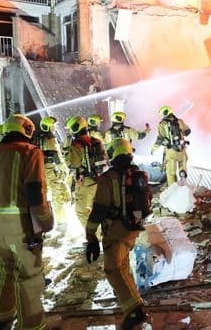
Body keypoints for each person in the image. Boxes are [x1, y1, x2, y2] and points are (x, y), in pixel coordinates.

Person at [0, 114, 54, 330]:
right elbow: (35, 192)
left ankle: (1, 320)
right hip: (20, 223)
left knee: (5, 270)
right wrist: (46, 221)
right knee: (29, 276)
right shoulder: (30, 151)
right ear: (26, 130)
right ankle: (31, 326)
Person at [86, 138, 151, 330]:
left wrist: (90, 235)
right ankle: (133, 301)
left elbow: (98, 210)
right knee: (122, 266)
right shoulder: (137, 173)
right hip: (133, 228)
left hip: (116, 231)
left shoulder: (108, 178)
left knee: (113, 269)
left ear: (113, 153)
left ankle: (135, 311)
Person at [64, 116, 108, 232]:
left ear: (75, 127)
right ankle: (103, 234)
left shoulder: (77, 143)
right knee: (97, 209)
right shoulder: (96, 140)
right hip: (99, 180)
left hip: (85, 182)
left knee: (82, 211)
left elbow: (74, 163)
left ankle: (94, 238)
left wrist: (66, 153)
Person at [33, 116, 72, 236]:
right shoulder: (51, 139)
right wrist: (64, 169)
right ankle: (61, 224)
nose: (54, 128)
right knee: (59, 195)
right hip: (50, 169)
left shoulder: (36, 138)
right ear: (48, 127)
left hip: (38, 169)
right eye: (53, 126)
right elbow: (57, 156)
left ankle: (42, 224)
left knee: (43, 196)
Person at [152, 106, 191, 186]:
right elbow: (188, 131)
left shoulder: (162, 124)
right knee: (182, 166)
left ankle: (173, 189)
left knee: (171, 173)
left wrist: (154, 148)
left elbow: (160, 139)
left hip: (171, 151)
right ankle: (182, 173)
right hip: (182, 150)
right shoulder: (180, 121)